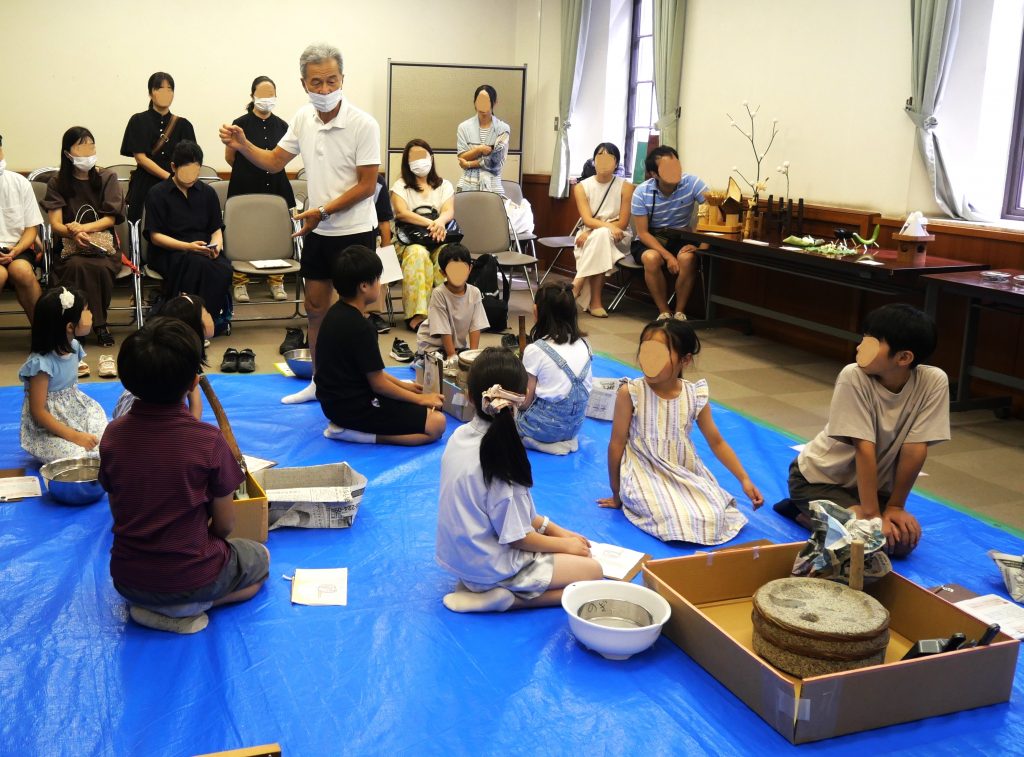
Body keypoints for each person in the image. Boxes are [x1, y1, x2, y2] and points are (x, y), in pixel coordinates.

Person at [219, 43, 380, 405]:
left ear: (343, 79)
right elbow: (275, 162)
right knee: (315, 307)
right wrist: (243, 145)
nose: (324, 90)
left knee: (356, 313)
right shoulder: (303, 118)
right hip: (318, 229)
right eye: (316, 83)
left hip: (354, 230)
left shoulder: (363, 124)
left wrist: (323, 211)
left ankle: (361, 382)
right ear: (304, 84)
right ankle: (320, 381)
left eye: (331, 81)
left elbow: (368, 186)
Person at [100, 317, 270, 634]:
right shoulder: (207, 440)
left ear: (127, 379)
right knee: (260, 561)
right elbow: (225, 525)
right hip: (191, 578)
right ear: (194, 381)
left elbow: (118, 509)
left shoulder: (112, 436)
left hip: (128, 581)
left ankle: (158, 607)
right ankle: (184, 609)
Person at [436, 347, 603, 613]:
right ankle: (506, 599)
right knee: (593, 571)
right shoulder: (500, 456)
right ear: (525, 397)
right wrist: (566, 545)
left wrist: (555, 529)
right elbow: (518, 538)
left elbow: (512, 513)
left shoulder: (459, 437)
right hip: (490, 568)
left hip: (461, 562)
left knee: (575, 559)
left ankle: (490, 589)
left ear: (468, 397)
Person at [776, 304, 949, 557]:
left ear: (903, 358)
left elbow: (915, 449)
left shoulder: (934, 381)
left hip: (870, 487)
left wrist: (896, 507)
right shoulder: (853, 376)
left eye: (871, 343)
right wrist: (872, 517)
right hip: (819, 480)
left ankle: (828, 519)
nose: (859, 348)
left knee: (900, 545)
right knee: (869, 542)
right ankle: (799, 512)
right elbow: (864, 449)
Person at [599, 319, 763, 544]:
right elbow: (616, 444)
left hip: (682, 468)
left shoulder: (694, 395)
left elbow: (717, 442)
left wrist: (744, 479)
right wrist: (616, 493)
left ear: (685, 360)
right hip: (644, 470)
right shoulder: (632, 392)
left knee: (714, 511)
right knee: (667, 513)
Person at [317, 245, 446, 446]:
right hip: (353, 409)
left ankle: (351, 428)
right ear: (364, 286)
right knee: (437, 424)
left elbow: (371, 372)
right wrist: (421, 400)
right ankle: (358, 435)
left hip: (333, 404)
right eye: (378, 279)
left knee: (416, 396)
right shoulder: (361, 327)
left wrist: (407, 387)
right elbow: (378, 384)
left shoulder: (334, 313)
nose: (380, 283)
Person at [43, 126, 126, 348]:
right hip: (69, 246)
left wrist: (83, 229)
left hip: (102, 246)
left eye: (91, 144)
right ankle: (74, 322)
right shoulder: (57, 182)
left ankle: (99, 324)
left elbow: (110, 219)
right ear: (67, 152)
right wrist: (74, 233)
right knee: (76, 266)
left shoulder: (107, 177)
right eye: (81, 145)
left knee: (99, 267)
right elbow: (56, 224)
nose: (88, 150)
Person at [144, 140, 233, 334]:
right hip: (169, 250)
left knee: (224, 268)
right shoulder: (157, 193)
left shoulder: (207, 192)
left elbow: (216, 228)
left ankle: (205, 318)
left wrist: (216, 246)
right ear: (173, 167)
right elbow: (155, 236)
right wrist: (188, 246)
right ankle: (191, 323)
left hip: (202, 249)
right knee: (196, 265)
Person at [226, 76, 297, 304]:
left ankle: (276, 280)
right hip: (245, 185)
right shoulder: (240, 124)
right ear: (252, 96)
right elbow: (231, 158)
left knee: (274, 233)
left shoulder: (283, 126)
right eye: (262, 95)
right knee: (244, 234)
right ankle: (240, 282)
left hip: (276, 186)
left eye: (271, 95)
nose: (267, 100)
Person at [19, 287, 107, 463]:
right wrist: (75, 436)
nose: (90, 315)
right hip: (48, 428)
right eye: (86, 311)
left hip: (75, 412)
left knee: (105, 438)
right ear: (69, 326)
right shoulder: (41, 364)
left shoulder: (73, 346)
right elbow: (38, 412)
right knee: (76, 455)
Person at [630, 145, 707, 321]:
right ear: (654, 174)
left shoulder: (692, 182)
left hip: (681, 237)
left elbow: (715, 211)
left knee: (687, 258)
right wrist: (667, 256)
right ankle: (664, 311)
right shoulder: (642, 192)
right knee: (651, 258)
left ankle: (679, 312)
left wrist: (701, 247)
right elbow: (642, 233)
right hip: (650, 238)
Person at [516, 282, 593, 455]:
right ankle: (560, 442)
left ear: (536, 311)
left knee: (504, 416)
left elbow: (525, 401)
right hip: (574, 428)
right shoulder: (585, 344)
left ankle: (539, 442)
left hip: (541, 429)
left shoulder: (535, 349)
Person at [112, 293, 213, 420]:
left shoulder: (179, 359)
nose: (211, 315)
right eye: (207, 313)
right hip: (141, 413)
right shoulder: (176, 363)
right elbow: (195, 408)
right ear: (196, 325)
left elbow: (195, 405)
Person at [390, 138, 455, 333]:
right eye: (414, 157)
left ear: (431, 158)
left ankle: (445, 313)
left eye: (422, 156)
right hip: (409, 241)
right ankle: (418, 315)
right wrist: (431, 223)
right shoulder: (400, 185)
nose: (419, 161)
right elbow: (401, 213)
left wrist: (440, 222)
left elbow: (448, 210)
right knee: (418, 254)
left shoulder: (444, 185)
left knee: (449, 255)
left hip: (438, 236)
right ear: (407, 162)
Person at [120, 72, 197, 222]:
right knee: (143, 225)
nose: (165, 93)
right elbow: (141, 158)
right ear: (150, 93)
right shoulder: (138, 120)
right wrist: (169, 177)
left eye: (170, 89)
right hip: (146, 183)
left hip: (177, 185)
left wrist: (179, 179)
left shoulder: (184, 125)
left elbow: (191, 160)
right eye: (160, 89)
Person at [572, 143, 634, 317]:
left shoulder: (626, 186)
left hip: (620, 236)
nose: (604, 161)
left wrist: (596, 230)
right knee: (601, 238)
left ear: (616, 163)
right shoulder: (581, 187)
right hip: (591, 234)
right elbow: (587, 220)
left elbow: (622, 222)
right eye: (600, 156)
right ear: (594, 161)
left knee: (601, 237)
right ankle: (595, 302)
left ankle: (577, 285)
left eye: (610, 157)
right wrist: (600, 228)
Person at [415, 245, 489, 358]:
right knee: (440, 366)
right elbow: (443, 329)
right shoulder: (439, 293)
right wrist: (451, 355)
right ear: (443, 273)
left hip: (457, 346)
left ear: (470, 269)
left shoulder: (475, 292)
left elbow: (475, 326)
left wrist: (473, 356)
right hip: (432, 345)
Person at [0, 133, 44, 322]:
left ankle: (43, 331)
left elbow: (31, 228)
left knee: (22, 271)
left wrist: (16, 249)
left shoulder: (19, 182)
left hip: (18, 247)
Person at [456, 85, 510, 193]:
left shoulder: (502, 128)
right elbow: (462, 157)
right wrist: (479, 150)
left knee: (497, 208)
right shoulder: (463, 127)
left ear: (495, 103)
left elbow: (495, 162)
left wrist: (470, 164)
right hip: (467, 183)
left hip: (493, 184)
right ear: (474, 102)